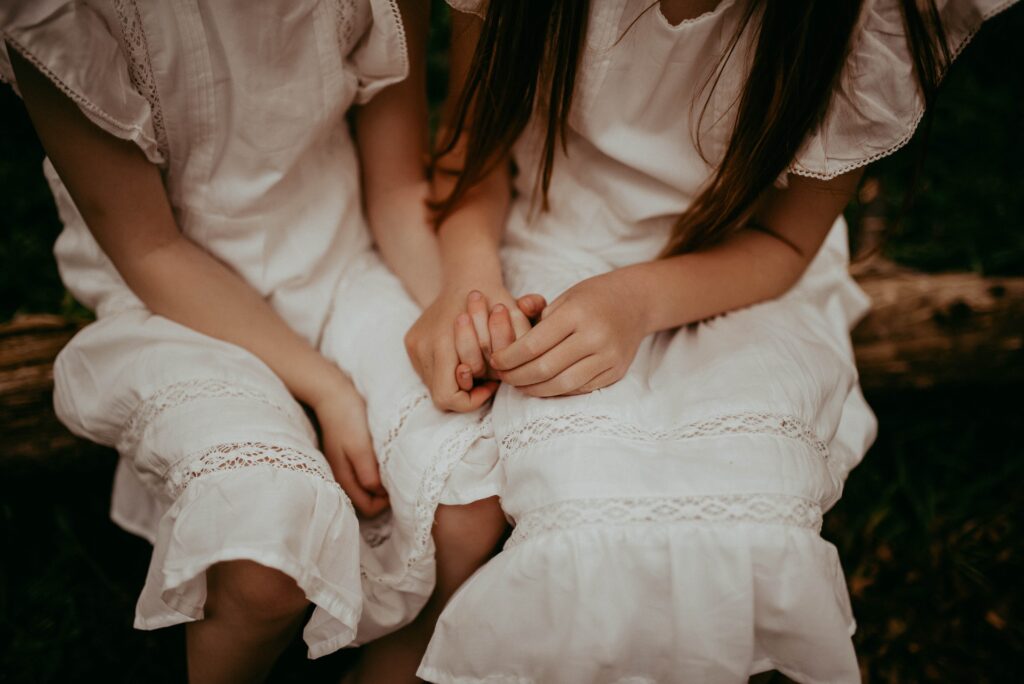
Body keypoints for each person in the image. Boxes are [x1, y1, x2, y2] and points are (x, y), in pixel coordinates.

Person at [403, 1, 1017, 682]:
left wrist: (635, 301)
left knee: (743, 498)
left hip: (738, 276)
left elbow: (784, 243)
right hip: (552, 235)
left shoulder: (862, 15)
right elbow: (471, 160)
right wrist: (470, 286)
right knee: (581, 488)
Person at [1, 1, 507, 681]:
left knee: (466, 503)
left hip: (342, 261)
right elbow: (151, 250)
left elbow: (393, 187)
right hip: (180, 309)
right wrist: (329, 389)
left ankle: (389, 666)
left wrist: (448, 305)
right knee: (265, 567)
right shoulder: (65, 12)